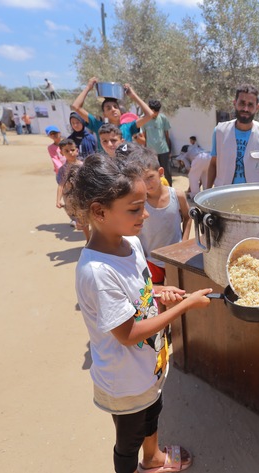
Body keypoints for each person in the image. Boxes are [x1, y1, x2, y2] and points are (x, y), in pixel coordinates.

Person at [67, 153, 211, 473]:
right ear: (99, 211)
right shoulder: (97, 272)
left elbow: (141, 289)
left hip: (148, 367)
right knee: (128, 440)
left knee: (153, 413)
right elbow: (128, 334)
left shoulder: (130, 242)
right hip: (124, 381)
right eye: (134, 208)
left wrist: (162, 293)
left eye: (144, 204)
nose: (145, 215)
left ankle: (154, 458)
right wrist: (185, 306)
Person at [117, 143, 191, 284]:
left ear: (161, 172)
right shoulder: (138, 203)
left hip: (174, 258)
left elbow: (188, 218)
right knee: (156, 294)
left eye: (150, 177)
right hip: (150, 259)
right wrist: (140, 254)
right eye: (141, 180)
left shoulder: (177, 195)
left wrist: (184, 243)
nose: (146, 184)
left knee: (176, 291)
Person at [207, 84, 259, 188]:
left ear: (257, 107)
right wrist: (206, 193)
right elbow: (213, 164)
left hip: (254, 197)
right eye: (242, 103)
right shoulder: (220, 131)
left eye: (250, 105)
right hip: (224, 197)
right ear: (235, 103)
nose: (245, 109)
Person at [71, 77, 155, 153]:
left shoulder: (128, 127)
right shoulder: (99, 126)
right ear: (104, 115)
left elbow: (150, 114)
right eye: (108, 108)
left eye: (115, 107)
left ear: (120, 111)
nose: (113, 109)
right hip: (107, 168)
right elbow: (76, 106)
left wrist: (133, 96)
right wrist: (88, 87)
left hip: (125, 167)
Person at [55, 138, 90, 240]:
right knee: (82, 221)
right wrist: (58, 200)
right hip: (73, 200)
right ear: (61, 153)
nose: (70, 153)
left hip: (85, 197)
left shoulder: (84, 165)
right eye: (66, 151)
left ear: (77, 150)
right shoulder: (62, 170)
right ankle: (88, 240)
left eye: (72, 150)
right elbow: (61, 185)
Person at [141, 99, 173, 186]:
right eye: (153, 111)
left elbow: (166, 134)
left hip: (163, 150)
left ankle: (170, 189)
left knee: (167, 172)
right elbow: (144, 137)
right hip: (151, 152)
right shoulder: (143, 119)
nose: (155, 114)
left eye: (157, 112)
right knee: (153, 172)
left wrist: (169, 149)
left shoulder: (163, 118)